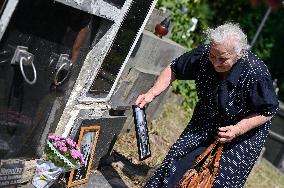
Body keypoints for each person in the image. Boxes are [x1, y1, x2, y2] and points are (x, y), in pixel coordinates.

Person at [135, 22, 279, 188]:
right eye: (213, 55)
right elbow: (174, 68)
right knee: (178, 159)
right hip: (207, 117)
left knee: (218, 179)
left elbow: (268, 110)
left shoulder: (255, 73)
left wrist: (237, 129)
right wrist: (151, 93)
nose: (216, 63)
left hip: (244, 130)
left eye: (223, 59)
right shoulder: (204, 55)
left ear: (239, 54)